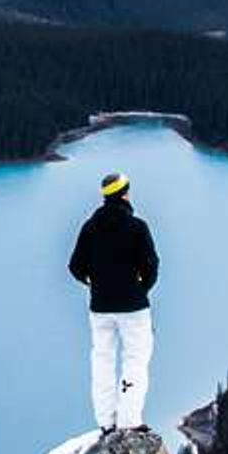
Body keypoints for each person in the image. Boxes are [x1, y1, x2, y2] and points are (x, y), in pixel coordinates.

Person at [67, 171, 159, 432]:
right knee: (135, 361)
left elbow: (75, 267)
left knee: (102, 360)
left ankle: (106, 421)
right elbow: (151, 266)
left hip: (100, 307)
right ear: (126, 194)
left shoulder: (90, 227)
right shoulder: (137, 227)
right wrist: (140, 290)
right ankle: (130, 420)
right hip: (133, 307)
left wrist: (95, 284)